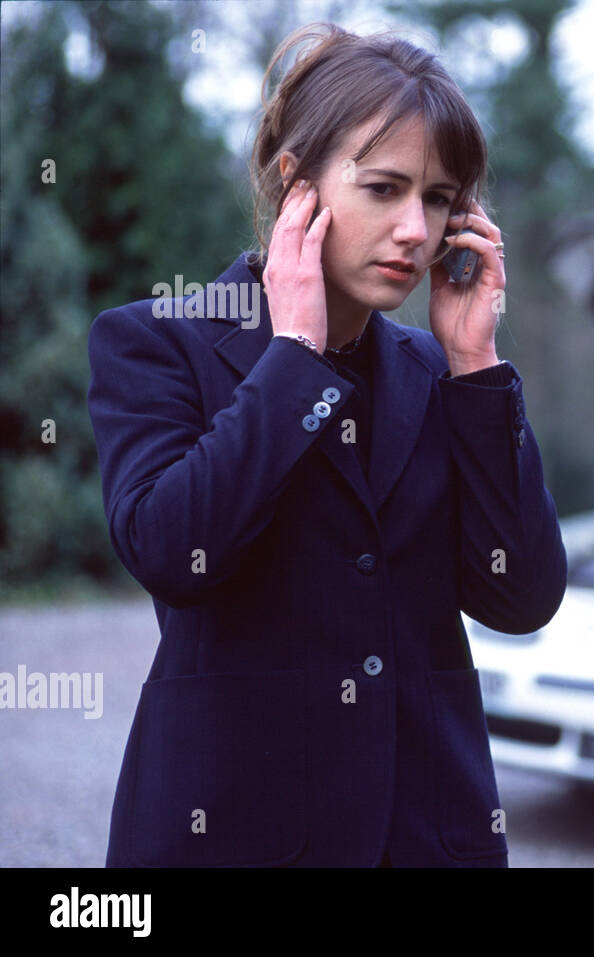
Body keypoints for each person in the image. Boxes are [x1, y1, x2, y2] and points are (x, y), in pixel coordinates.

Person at [86, 22, 567, 867]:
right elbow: (173, 551)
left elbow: (520, 597)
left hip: (427, 835)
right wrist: (293, 358)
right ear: (295, 184)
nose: (417, 229)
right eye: (384, 188)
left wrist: (476, 362)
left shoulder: (439, 370)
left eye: (440, 197)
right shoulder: (159, 343)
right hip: (233, 834)